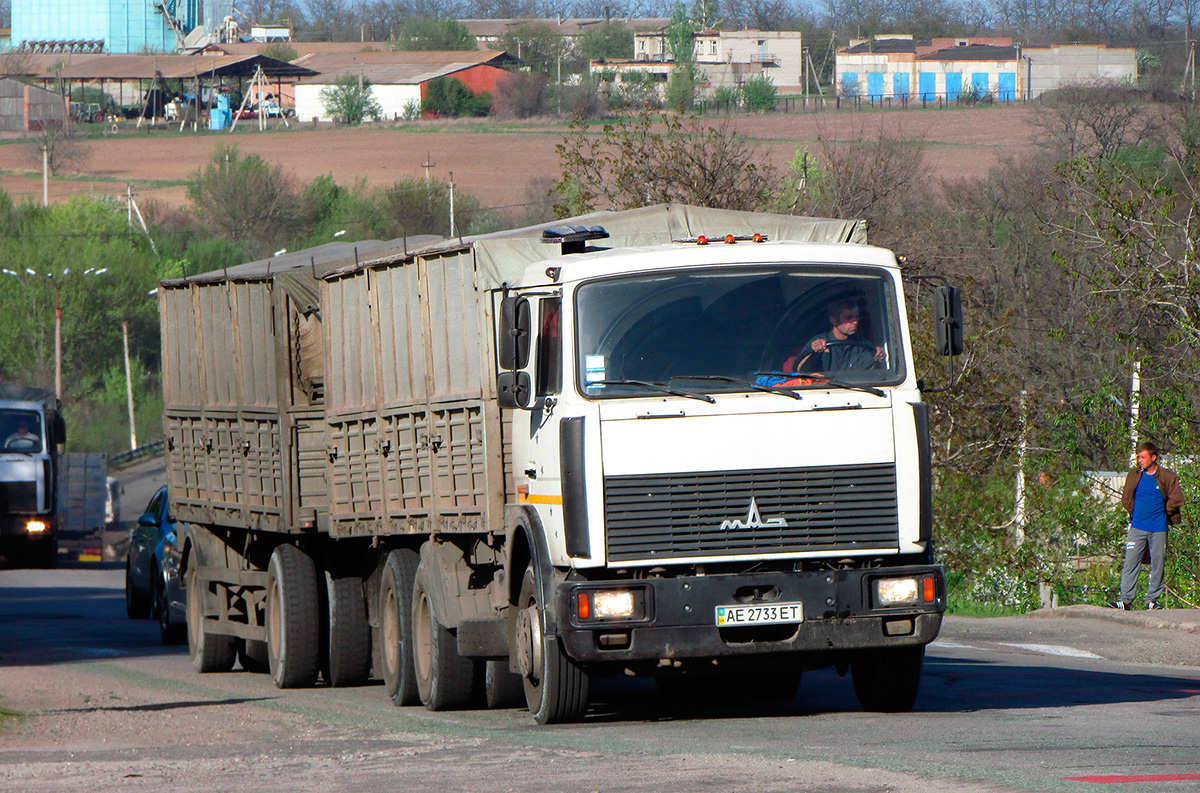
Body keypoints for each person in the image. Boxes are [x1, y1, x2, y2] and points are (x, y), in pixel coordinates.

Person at [1112, 441, 1184, 610]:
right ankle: (1126, 600)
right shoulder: (1134, 475)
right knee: (1130, 563)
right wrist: (1134, 512)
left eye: (1143, 457)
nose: (1140, 460)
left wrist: (1164, 510)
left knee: (1157, 564)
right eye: (1138, 457)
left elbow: (1177, 498)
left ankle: (1152, 600)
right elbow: (1126, 499)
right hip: (1137, 526)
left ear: (1153, 457)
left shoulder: (1167, 476)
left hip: (1158, 528)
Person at [782, 298, 885, 373]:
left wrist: (875, 356)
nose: (855, 322)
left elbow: (868, 374)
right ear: (834, 320)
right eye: (848, 317)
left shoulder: (862, 345)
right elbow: (800, 369)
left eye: (856, 317)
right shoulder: (819, 341)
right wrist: (814, 351)